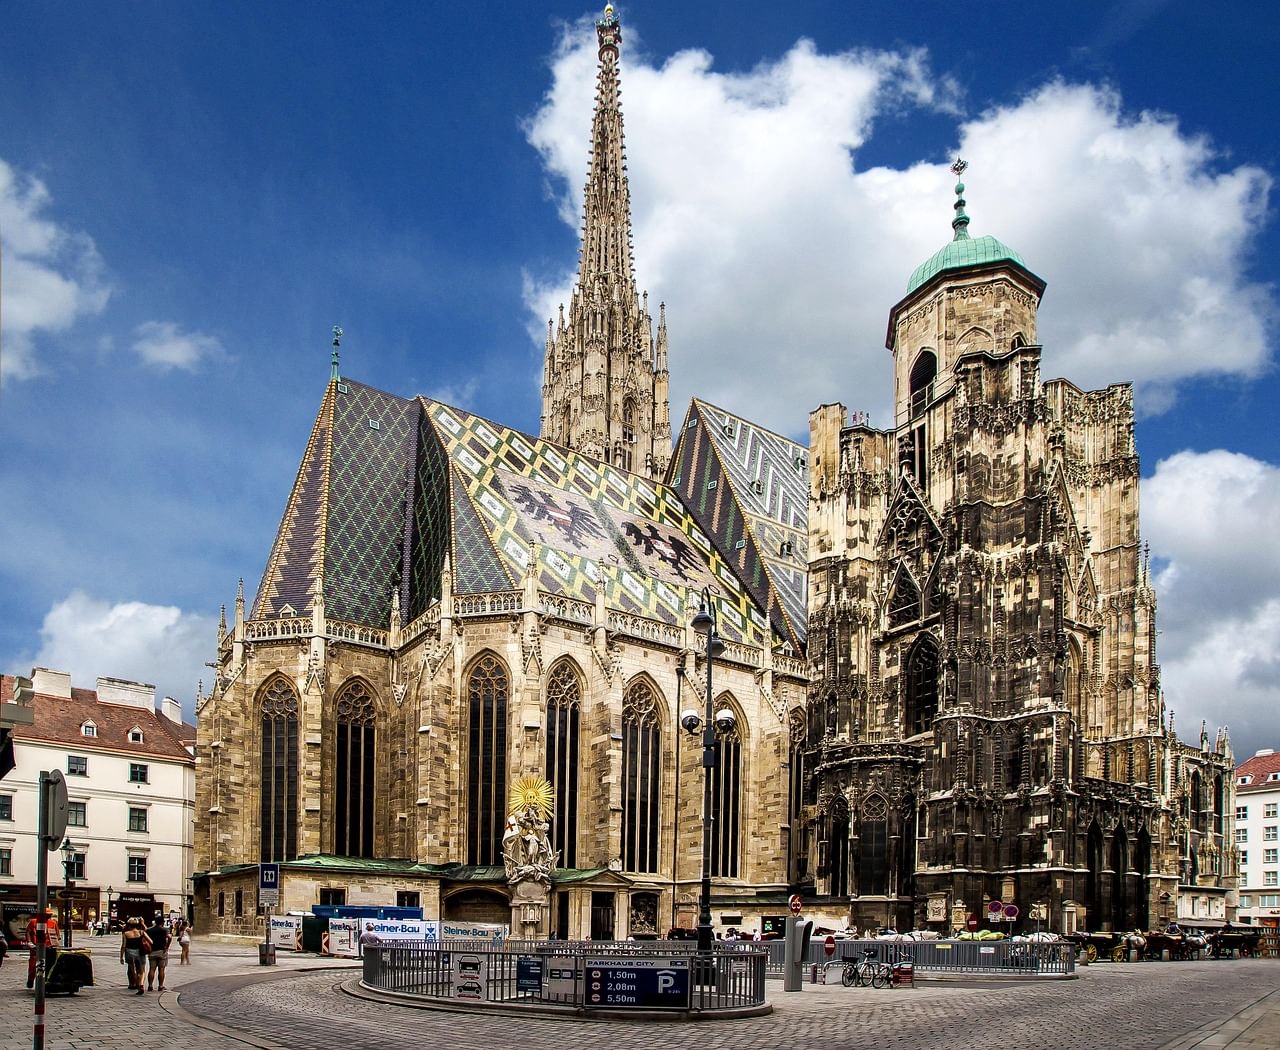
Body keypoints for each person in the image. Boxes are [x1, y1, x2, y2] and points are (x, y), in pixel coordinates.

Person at [25, 908, 60, 989]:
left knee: (48, 965)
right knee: (33, 965)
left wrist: (56, 943)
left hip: (49, 947)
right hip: (35, 947)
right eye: (47, 915)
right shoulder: (33, 921)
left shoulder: (53, 923)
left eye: (50, 915)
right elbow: (28, 932)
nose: (49, 916)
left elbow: (57, 935)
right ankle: (31, 979)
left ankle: (44, 981)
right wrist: (29, 942)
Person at [120, 917, 151, 993]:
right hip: (140, 952)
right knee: (141, 970)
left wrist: (121, 956)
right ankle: (141, 985)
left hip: (129, 952)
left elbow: (123, 945)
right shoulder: (141, 932)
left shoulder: (126, 934)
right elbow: (151, 941)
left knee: (132, 969)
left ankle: (133, 984)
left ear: (129, 926)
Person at [145, 915, 171, 991]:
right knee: (161, 969)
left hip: (152, 951)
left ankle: (150, 985)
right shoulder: (164, 930)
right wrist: (167, 946)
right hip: (161, 951)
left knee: (152, 969)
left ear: (155, 922)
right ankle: (160, 986)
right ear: (162, 922)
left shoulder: (149, 930)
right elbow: (169, 937)